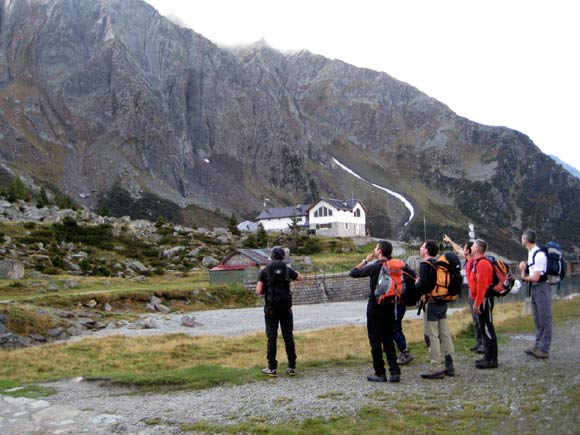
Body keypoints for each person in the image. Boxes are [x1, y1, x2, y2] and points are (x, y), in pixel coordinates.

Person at [350, 240, 402, 382]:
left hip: (375, 308)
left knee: (375, 341)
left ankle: (380, 373)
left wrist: (365, 260)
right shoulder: (394, 265)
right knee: (389, 340)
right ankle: (395, 371)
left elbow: (354, 273)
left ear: (379, 251)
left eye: (376, 247)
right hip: (390, 306)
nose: (374, 249)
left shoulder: (375, 267)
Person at [256, 246, 303, 376]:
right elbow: (300, 277)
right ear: (283, 256)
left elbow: (259, 291)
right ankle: (291, 366)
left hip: (271, 309)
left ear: (271, 256)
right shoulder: (287, 269)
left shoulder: (265, 271)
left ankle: (272, 367)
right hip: (286, 308)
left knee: (272, 337)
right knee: (288, 336)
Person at [417, 240, 455, 379]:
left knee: (432, 334)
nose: (420, 249)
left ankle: (435, 367)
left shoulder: (425, 265)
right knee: (444, 332)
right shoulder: (439, 264)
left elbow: (423, 287)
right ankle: (449, 364)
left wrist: (417, 284)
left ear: (426, 250)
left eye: (422, 247)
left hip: (431, 302)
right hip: (442, 301)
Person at [443, 235, 483, 354]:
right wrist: (450, 241)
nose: (463, 250)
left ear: (470, 250)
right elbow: (458, 249)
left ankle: (483, 343)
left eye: (465, 248)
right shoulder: (468, 259)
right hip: (471, 292)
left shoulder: (474, 261)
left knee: (479, 319)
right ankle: (479, 342)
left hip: (475, 293)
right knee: (475, 320)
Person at [519, 229, 551, 359]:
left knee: (545, 318)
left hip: (541, 288)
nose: (521, 240)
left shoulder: (538, 254)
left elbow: (536, 277)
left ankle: (544, 349)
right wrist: (524, 267)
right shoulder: (531, 253)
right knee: (538, 318)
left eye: (522, 238)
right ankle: (538, 345)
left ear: (526, 239)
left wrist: (523, 277)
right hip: (535, 288)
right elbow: (532, 270)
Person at [469, 239, 498, 369]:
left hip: (484, 300)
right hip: (481, 300)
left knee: (487, 328)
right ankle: (487, 355)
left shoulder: (483, 264)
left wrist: (477, 303)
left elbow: (482, 286)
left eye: (473, 246)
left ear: (477, 249)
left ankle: (492, 359)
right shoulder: (477, 263)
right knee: (483, 328)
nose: (471, 247)